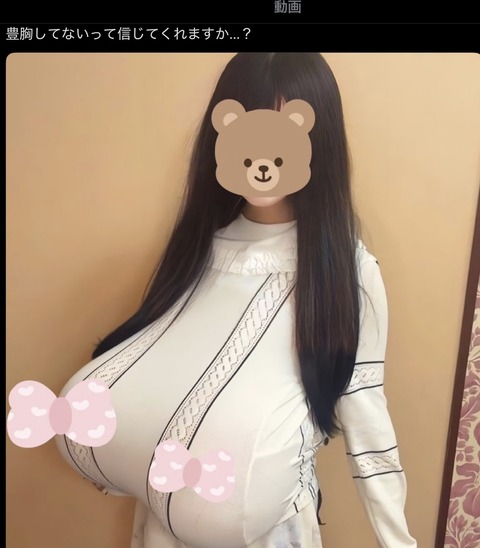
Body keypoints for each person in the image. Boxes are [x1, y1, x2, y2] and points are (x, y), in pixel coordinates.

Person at [55, 52, 417, 547]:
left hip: (272, 532)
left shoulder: (346, 271)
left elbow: (366, 415)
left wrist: (398, 541)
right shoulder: (198, 251)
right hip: (164, 526)